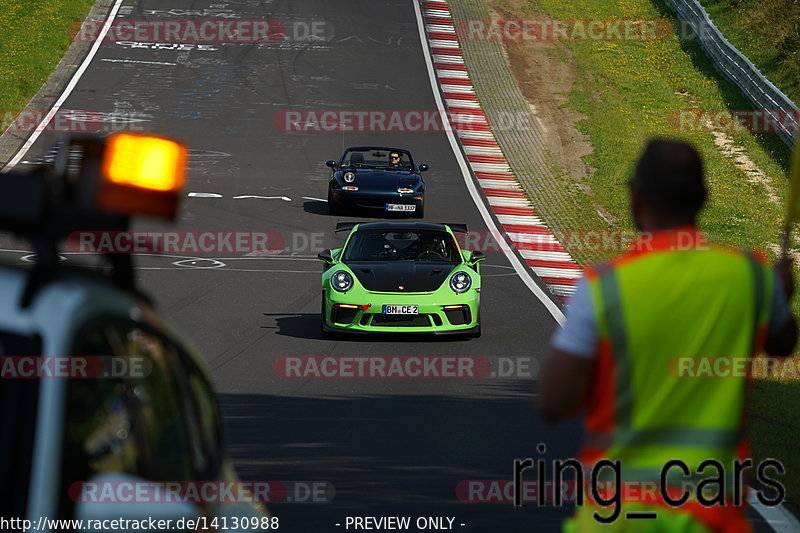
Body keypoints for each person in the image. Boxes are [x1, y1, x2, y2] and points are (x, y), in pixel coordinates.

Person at [539, 139, 797, 532]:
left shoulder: (603, 287)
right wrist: (781, 295)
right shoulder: (751, 278)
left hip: (617, 516)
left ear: (635, 197)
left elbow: (554, 402)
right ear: (705, 199)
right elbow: (783, 345)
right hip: (711, 515)